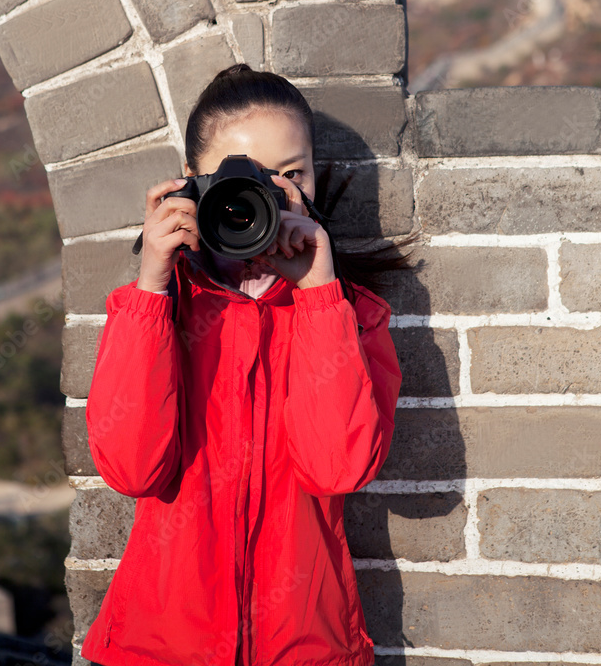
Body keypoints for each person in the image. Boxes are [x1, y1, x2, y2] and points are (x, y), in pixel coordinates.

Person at [80, 64, 419, 666]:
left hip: (304, 649)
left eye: (292, 173)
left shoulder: (352, 316)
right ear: (193, 184)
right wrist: (153, 286)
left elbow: (337, 468)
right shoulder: (158, 311)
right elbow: (131, 469)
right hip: (158, 648)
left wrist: (319, 294)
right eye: (246, 176)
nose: (271, 191)